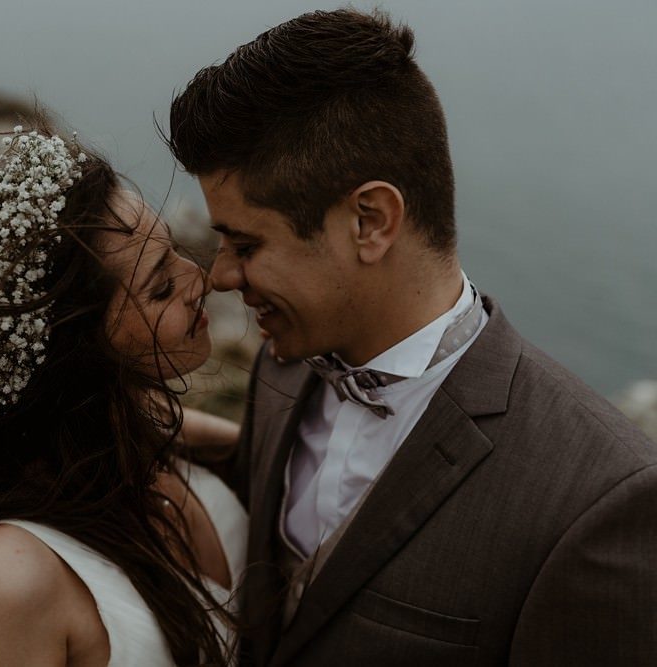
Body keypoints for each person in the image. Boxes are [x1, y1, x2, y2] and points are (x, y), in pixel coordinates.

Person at [166, 9, 657, 666]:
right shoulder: (282, 367)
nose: (221, 274)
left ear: (371, 220)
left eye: (246, 243)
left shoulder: (598, 501)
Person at [0, 126, 246, 666]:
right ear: (75, 352)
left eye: (177, 253)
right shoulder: (12, 576)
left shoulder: (149, 431)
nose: (202, 280)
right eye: (161, 286)